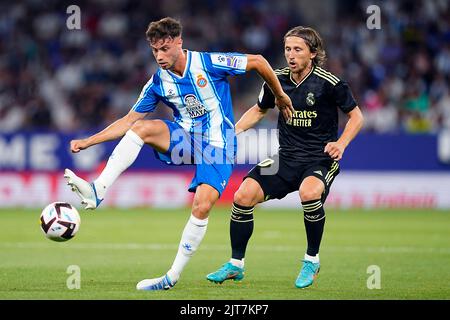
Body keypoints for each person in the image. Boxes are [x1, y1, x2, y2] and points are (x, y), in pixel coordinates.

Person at [63, 17, 293, 291]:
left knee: (202, 206)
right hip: (184, 139)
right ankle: (97, 189)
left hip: (218, 146)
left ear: (179, 43)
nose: (159, 56)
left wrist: (279, 96)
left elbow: (257, 61)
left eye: (164, 48)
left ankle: (171, 276)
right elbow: (127, 121)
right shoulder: (159, 82)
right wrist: (89, 141)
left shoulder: (208, 63)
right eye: (155, 50)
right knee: (141, 127)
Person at [206, 26, 364, 288]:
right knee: (242, 195)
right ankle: (236, 264)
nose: (291, 55)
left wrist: (342, 143)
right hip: (285, 158)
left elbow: (357, 117)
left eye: (298, 50)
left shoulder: (330, 83)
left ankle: (311, 260)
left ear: (312, 54)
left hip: (319, 158)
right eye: (288, 49)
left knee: (310, 193)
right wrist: (234, 133)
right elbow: (259, 110)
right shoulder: (276, 79)